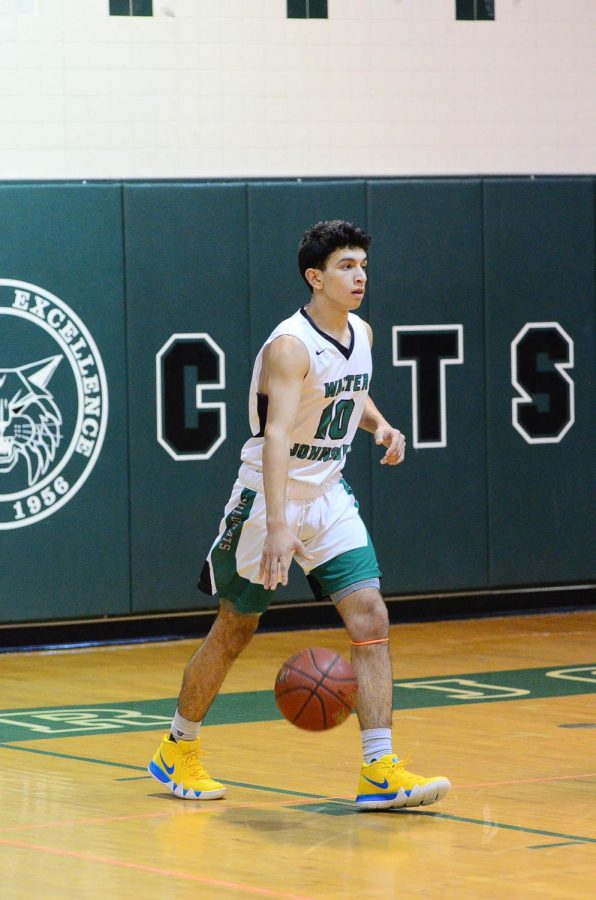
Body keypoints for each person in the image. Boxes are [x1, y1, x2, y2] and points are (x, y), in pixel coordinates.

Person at [148, 220, 451, 810]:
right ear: (315, 277)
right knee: (236, 628)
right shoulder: (289, 345)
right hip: (268, 498)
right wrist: (281, 522)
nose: (359, 274)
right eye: (345, 265)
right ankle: (177, 749)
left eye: (362, 263)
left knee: (370, 614)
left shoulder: (359, 331)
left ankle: (379, 769)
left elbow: (349, 390)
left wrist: (380, 424)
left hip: (328, 495)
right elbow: (278, 434)